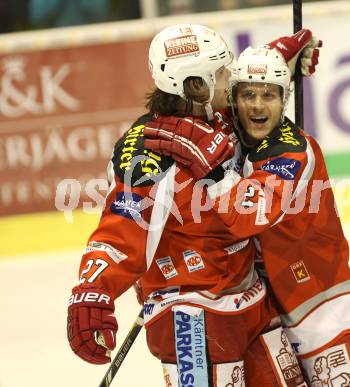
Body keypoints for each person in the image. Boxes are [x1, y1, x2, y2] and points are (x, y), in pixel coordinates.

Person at [67, 23, 317, 386]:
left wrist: (280, 57)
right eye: (220, 73)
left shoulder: (215, 113)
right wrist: (92, 293)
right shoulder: (149, 152)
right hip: (193, 316)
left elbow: (254, 92)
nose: (230, 78)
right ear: (195, 86)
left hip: (251, 302)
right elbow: (122, 227)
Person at [143, 42, 350, 386]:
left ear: (284, 99)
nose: (257, 105)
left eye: (269, 96)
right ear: (233, 96)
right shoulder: (230, 125)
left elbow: (249, 215)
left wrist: (213, 173)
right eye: (248, 95)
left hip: (320, 304)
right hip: (266, 307)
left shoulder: (291, 151)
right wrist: (284, 48)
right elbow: (228, 76)